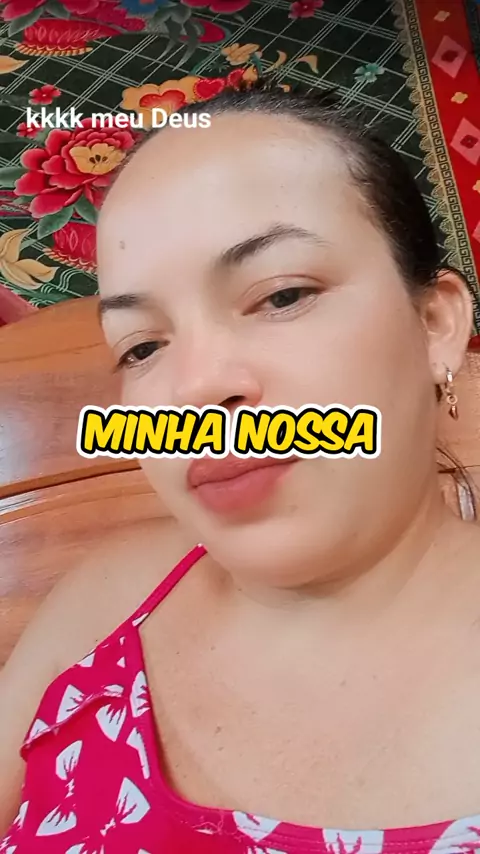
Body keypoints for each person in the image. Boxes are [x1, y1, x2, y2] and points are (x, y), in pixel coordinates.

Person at [0, 83, 479, 854]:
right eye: (142, 347)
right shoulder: (110, 602)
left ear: (435, 323)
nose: (193, 389)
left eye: (282, 295)